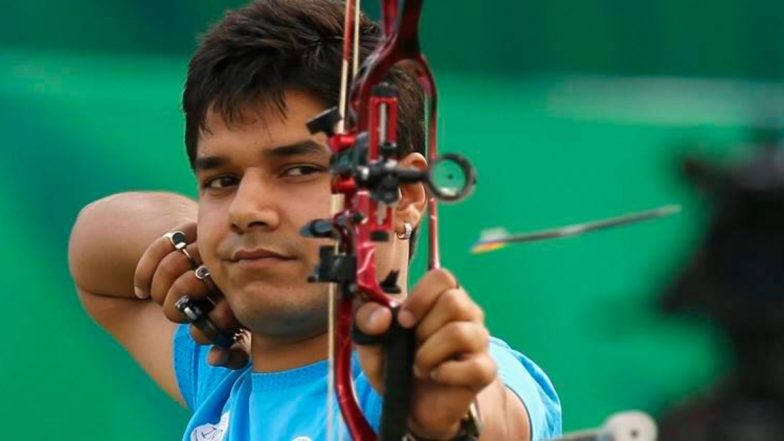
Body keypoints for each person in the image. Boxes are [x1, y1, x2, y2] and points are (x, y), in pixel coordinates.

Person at [68, 0, 562, 440]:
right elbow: (94, 242)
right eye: (222, 180)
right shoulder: (225, 368)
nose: (246, 209)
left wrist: (446, 423)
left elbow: (490, 412)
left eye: (300, 169)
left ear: (406, 194)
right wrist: (199, 255)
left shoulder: (447, 370)